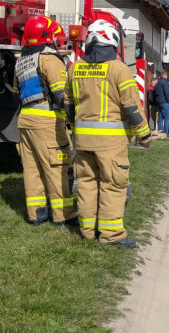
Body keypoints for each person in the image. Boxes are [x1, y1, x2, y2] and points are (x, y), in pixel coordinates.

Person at [69, 20, 152, 248]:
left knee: (86, 182)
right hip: (111, 143)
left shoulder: (74, 68)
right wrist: (144, 136)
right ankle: (112, 235)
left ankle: (87, 230)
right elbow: (132, 107)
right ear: (112, 41)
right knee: (113, 184)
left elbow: (68, 107)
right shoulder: (118, 69)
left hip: (82, 141)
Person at [15, 15, 76, 225]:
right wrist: (74, 120)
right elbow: (61, 95)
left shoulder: (22, 60)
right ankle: (63, 215)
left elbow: (17, 90)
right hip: (47, 121)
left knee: (32, 169)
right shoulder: (49, 59)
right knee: (57, 167)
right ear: (48, 36)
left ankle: (36, 214)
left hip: (25, 120)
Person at [153, 70, 169, 135]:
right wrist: (168, 100)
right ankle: (165, 132)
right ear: (165, 76)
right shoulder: (165, 82)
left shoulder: (157, 83)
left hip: (159, 102)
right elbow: (167, 92)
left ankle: (160, 131)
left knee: (160, 117)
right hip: (164, 102)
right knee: (167, 117)